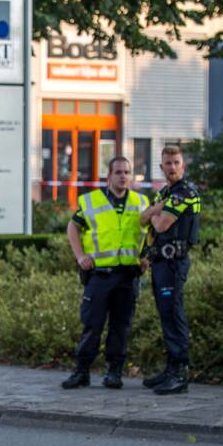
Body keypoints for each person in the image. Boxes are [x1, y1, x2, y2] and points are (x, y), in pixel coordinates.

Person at [61, 157, 149, 390]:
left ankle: (114, 372)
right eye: (118, 172)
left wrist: (146, 255)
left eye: (127, 172)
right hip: (100, 275)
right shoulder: (93, 201)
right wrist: (80, 257)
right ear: (109, 176)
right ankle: (81, 372)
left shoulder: (140, 202)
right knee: (92, 325)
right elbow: (73, 226)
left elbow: (152, 232)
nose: (123, 176)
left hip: (127, 275)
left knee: (121, 327)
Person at [139, 145, 200, 395]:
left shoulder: (183, 192)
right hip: (161, 262)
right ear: (161, 167)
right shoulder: (166, 191)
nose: (172, 167)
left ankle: (180, 375)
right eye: (168, 163)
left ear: (183, 165)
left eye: (176, 162)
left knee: (174, 315)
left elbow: (161, 225)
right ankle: (171, 368)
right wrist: (154, 211)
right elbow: (142, 220)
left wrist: (155, 211)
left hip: (174, 263)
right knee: (166, 315)